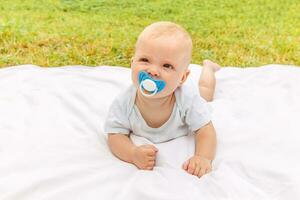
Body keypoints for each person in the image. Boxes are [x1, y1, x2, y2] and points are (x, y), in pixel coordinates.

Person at [104, 21, 220, 178]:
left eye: (167, 66)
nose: (152, 71)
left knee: (205, 91)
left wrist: (203, 157)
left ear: (182, 78)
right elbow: (115, 135)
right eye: (145, 60)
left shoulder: (187, 99)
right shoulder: (125, 101)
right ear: (132, 64)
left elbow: (205, 130)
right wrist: (132, 153)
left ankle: (208, 68)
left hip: (196, 95)